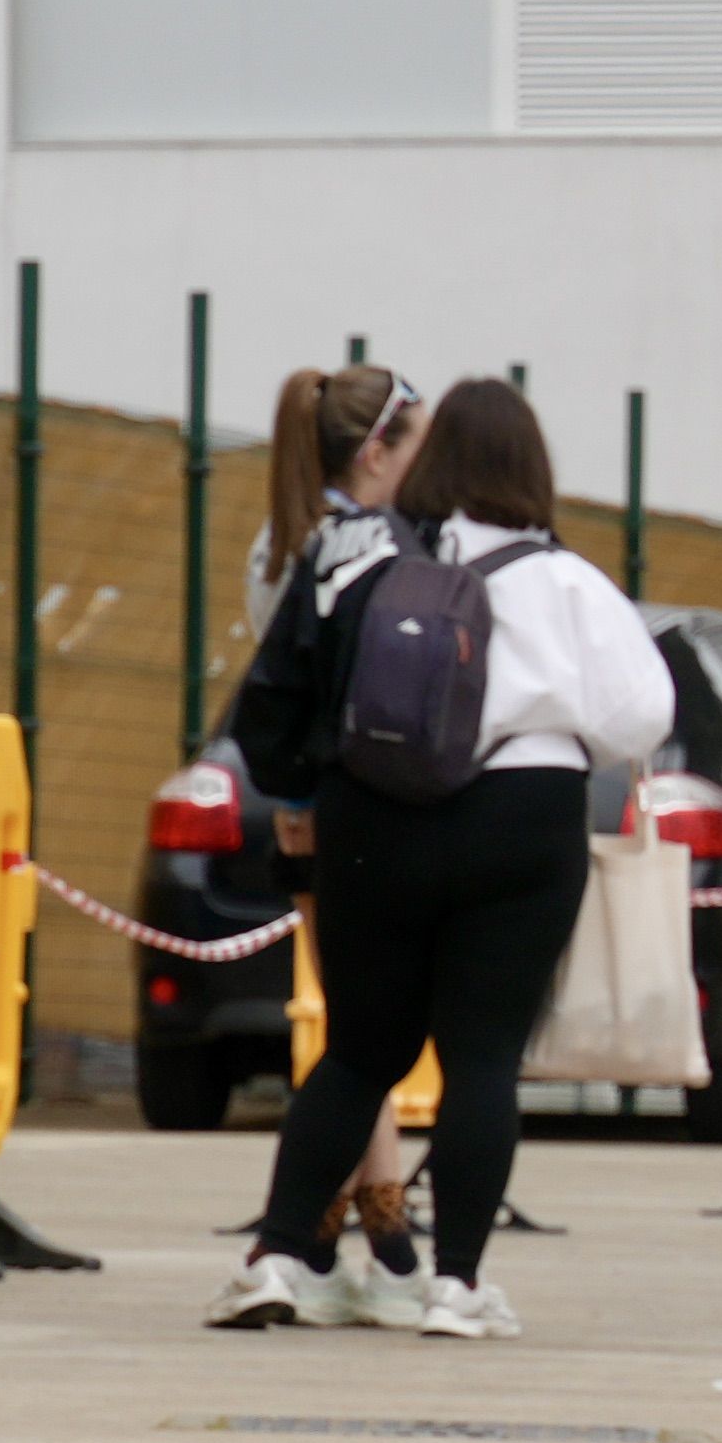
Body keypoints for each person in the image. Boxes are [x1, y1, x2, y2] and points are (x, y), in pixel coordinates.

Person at [210, 378, 670, 1342]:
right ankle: (456, 1286)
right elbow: (641, 715)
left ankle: (280, 1253)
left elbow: (279, 696)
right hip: (524, 815)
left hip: (377, 817)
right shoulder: (567, 580)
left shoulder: (365, 557)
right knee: (482, 1060)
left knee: (362, 1051)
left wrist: (303, 800)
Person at [239, 365, 431, 1316]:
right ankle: (365, 1223)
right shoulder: (363, 550)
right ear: (376, 451)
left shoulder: (279, 547)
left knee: (361, 1017)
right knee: (369, 1023)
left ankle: (360, 1213)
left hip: (306, 812)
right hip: (357, 802)